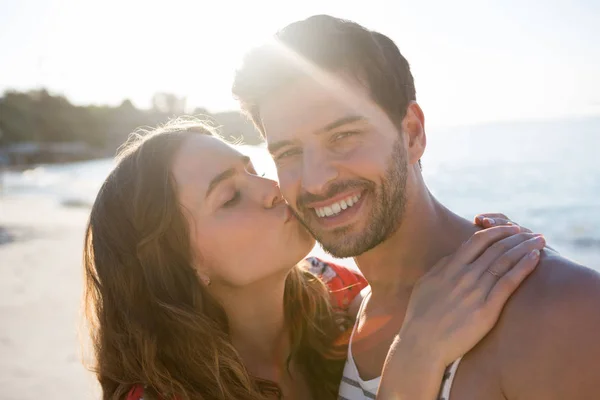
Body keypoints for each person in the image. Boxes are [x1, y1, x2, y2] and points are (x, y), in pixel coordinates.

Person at [232, 14, 600, 399]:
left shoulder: (556, 310)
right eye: (288, 152)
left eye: (343, 136)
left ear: (411, 133)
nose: (316, 180)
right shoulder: (345, 319)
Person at [83, 119, 544, 400]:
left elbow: (423, 286)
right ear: (181, 264)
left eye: (254, 170)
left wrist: (476, 248)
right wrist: (412, 363)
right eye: (229, 197)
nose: (272, 190)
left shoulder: (339, 294)